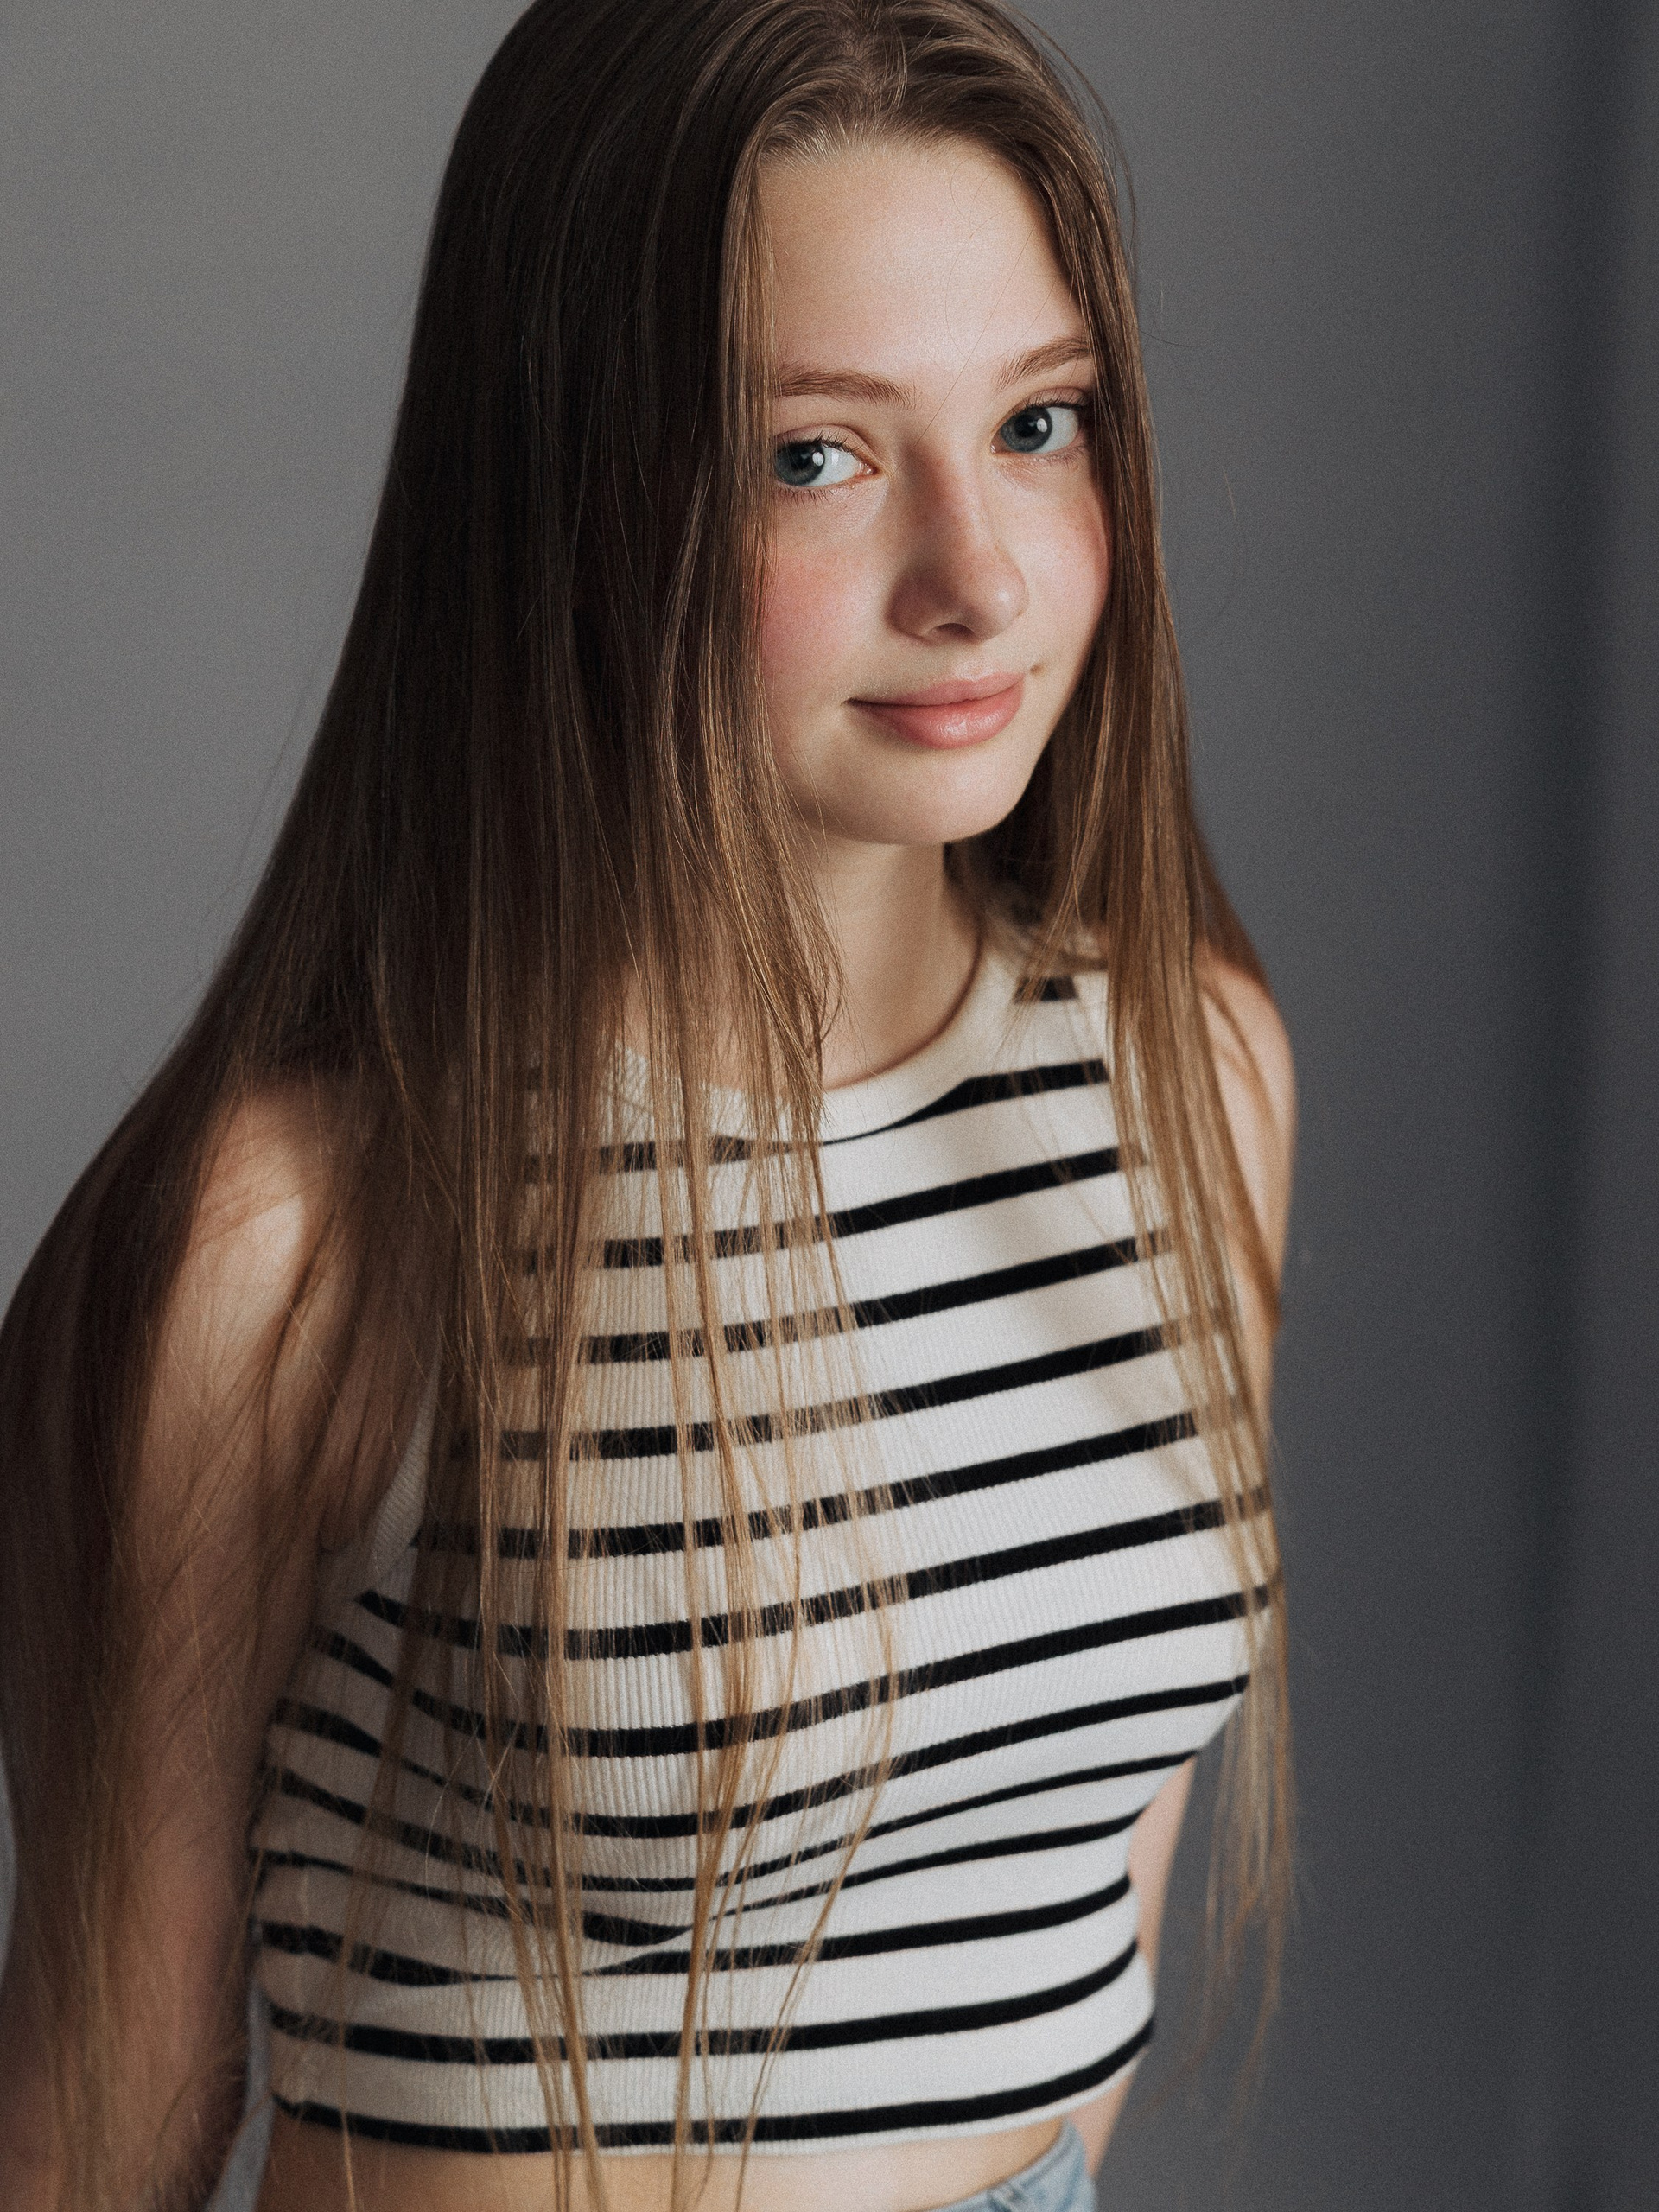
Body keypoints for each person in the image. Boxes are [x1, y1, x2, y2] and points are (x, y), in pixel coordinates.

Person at [0, 3, 1296, 2207]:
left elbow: (1075, 1917)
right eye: (818, 456)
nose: (978, 577)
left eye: (1040, 421)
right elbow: (106, 2103)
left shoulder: (1194, 1074)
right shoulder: (295, 1238)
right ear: (571, 491)